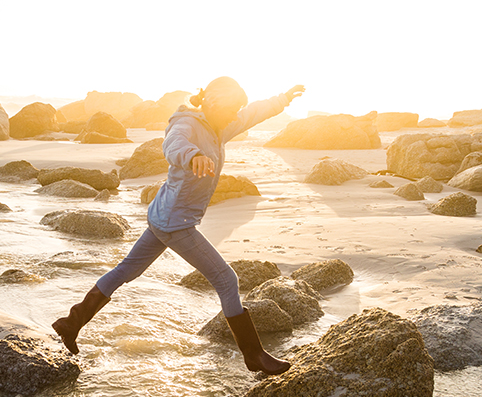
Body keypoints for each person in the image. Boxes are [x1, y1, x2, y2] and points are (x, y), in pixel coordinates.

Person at [53, 77, 304, 375]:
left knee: (125, 270)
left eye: (237, 109)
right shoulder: (187, 124)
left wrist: (282, 99)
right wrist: (193, 155)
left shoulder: (219, 126)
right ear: (213, 103)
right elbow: (173, 144)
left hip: (163, 216)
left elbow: (252, 113)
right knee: (226, 280)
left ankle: (70, 324)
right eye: (231, 108)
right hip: (176, 224)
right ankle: (254, 355)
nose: (236, 114)